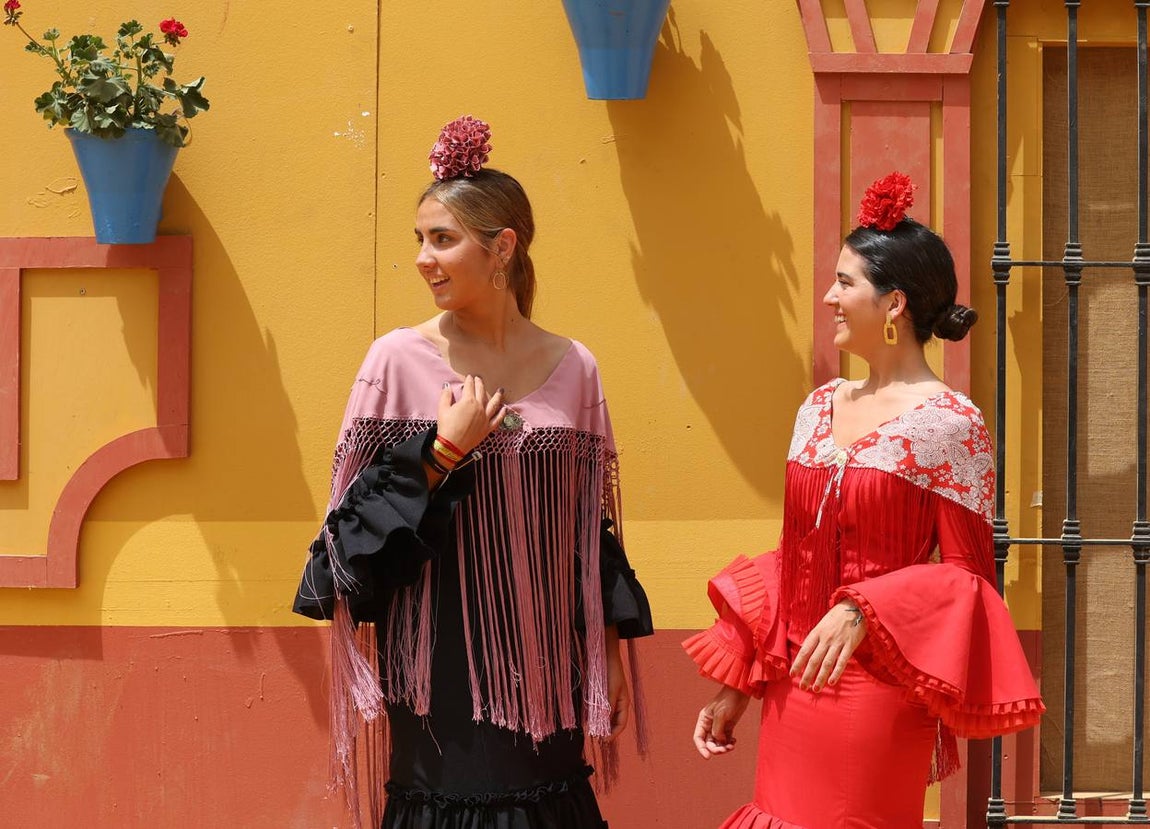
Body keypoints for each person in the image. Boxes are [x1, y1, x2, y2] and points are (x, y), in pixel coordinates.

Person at [293, 115, 652, 829]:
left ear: (503, 247)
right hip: (438, 675)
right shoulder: (393, 362)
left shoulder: (574, 365)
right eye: (419, 240)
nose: (424, 259)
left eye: (442, 239)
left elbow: (588, 532)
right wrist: (439, 453)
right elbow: (345, 544)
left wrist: (605, 650)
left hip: (547, 666)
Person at [684, 172, 1044, 828]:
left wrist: (860, 610)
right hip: (791, 684)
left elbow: (969, 578)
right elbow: (796, 557)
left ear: (895, 303)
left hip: (878, 688)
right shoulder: (818, 407)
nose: (829, 296)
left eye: (846, 282)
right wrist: (740, 679)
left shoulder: (951, 422)